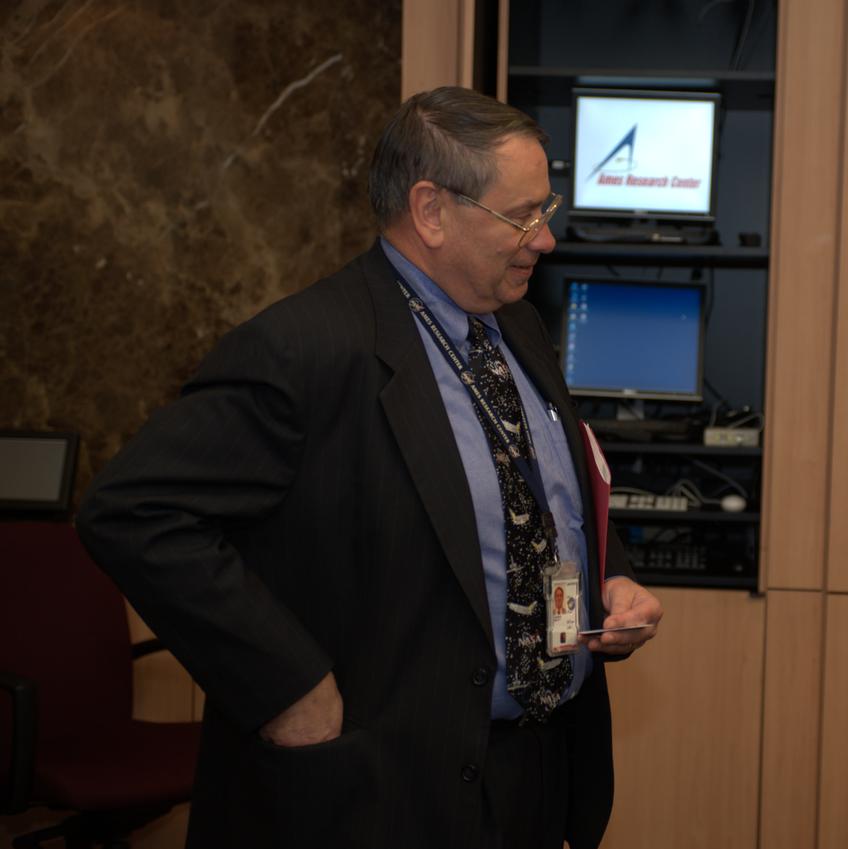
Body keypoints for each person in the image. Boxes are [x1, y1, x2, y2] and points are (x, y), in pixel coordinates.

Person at [76, 86, 662, 849]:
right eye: (522, 214)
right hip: (383, 791)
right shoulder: (304, 349)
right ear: (431, 210)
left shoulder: (517, 323)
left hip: (537, 773)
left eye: (544, 210)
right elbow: (131, 513)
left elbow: (540, 482)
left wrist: (608, 574)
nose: (544, 239)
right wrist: (284, 683)